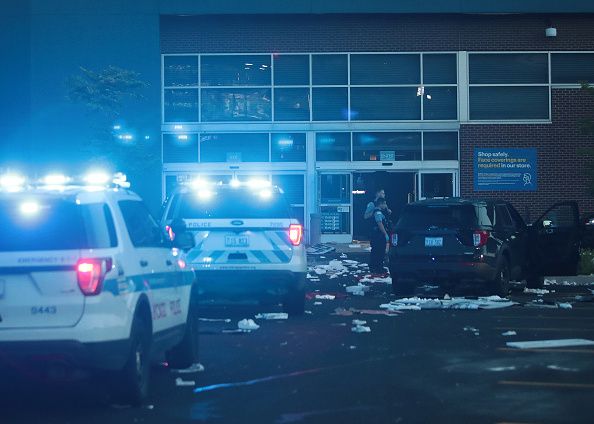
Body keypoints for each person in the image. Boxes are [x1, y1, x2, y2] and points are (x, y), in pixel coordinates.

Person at [369, 198, 390, 274]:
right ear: (380, 204)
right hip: (378, 236)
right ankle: (377, 268)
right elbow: (380, 224)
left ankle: (376, 267)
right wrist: (385, 234)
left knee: (377, 251)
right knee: (379, 252)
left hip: (377, 235)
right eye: (384, 204)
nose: (385, 205)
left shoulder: (378, 212)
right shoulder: (378, 212)